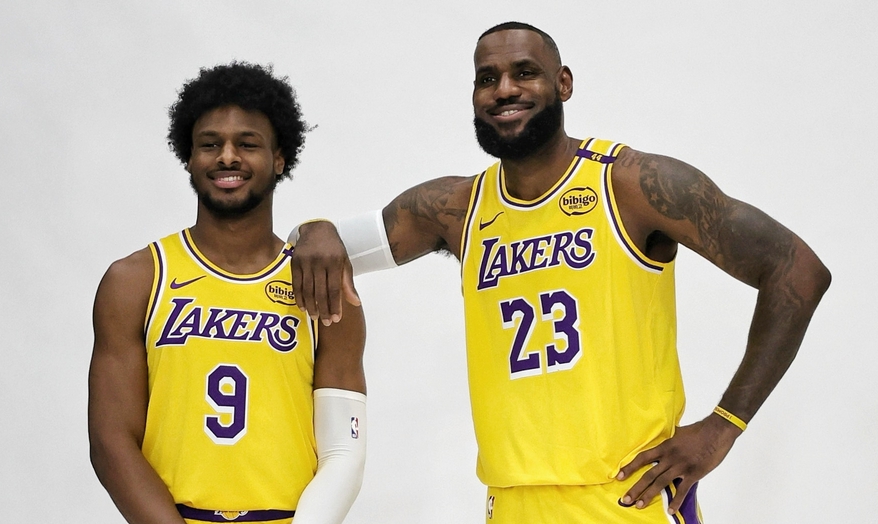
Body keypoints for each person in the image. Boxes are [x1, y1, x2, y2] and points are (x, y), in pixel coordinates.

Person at [290, 22, 831, 523]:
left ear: (563, 83)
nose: (504, 89)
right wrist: (314, 226)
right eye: (487, 79)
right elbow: (317, 247)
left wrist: (723, 426)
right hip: (511, 503)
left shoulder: (632, 184)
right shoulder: (455, 207)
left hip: (627, 500)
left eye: (524, 72)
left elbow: (797, 271)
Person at [88, 63, 367, 524]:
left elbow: (344, 452)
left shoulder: (321, 285)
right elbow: (111, 441)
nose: (228, 157)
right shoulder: (136, 280)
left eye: (248, 144)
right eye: (210, 144)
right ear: (189, 156)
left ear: (279, 158)